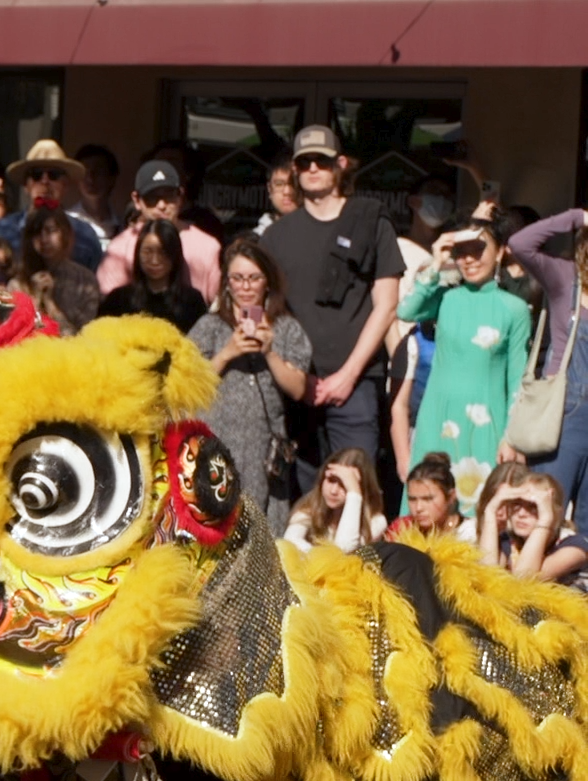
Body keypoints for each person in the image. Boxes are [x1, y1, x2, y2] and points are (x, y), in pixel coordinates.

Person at [260, 125, 404, 491]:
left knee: (356, 491)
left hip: (355, 385)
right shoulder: (275, 236)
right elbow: (256, 307)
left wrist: (347, 375)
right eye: (304, 162)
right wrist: (290, 374)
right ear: (294, 169)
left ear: (339, 164)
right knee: (304, 499)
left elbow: (386, 306)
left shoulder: (370, 219)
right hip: (295, 387)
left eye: (321, 161)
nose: (312, 168)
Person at [397, 218, 528, 518]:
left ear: (499, 253)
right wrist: (436, 260)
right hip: (437, 419)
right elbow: (406, 310)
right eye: (461, 251)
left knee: (478, 513)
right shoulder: (445, 299)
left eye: (478, 249)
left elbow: (518, 378)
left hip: (487, 422)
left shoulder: (515, 308)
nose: (468, 259)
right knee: (423, 508)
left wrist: (511, 436)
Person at [190, 238, 313, 534]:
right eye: (238, 278)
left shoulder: (285, 328)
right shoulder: (209, 326)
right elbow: (188, 384)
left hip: (263, 451)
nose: (246, 286)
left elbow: (297, 388)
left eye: (254, 278)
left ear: (267, 282)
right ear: (227, 283)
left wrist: (270, 352)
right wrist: (228, 352)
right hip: (215, 442)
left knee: (261, 528)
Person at [508, 207, 588, 519]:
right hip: (562, 414)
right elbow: (519, 243)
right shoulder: (565, 278)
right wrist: (578, 217)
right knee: (545, 510)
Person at [95, 160, 222, 304]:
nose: (161, 205)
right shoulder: (118, 249)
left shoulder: (208, 247)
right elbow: (109, 307)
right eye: (152, 198)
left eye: (169, 196)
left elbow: (218, 307)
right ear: (137, 200)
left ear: (180, 196)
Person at [0, 140, 105, 272]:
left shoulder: (85, 235)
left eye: (54, 175)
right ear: (26, 185)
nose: (45, 181)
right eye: (37, 175)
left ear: (65, 184)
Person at [98, 219, 207, 334]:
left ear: (175, 254)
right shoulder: (119, 299)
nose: (155, 261)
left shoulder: (192, 302)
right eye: (147, 252)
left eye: (162, 252)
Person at [12, 207, 98, 336]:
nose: (44, 239)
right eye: (37, 232)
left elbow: (82, 335)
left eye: (51, 231)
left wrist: (50, 303)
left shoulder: (85, 280)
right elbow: (14, 333)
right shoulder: (18, 282)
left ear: (65, 233)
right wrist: (34, 300)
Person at [284, 447, 386, 553]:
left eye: (344, 485)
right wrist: (319, 557)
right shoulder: (309, 508)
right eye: (331, 480)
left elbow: (344, 549)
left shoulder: (376, 521)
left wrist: (354, 494)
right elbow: (289, 542)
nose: (334, 491)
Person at [385, 453, 467, 539]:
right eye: (412, 499)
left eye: (428, 499)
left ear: (451, 496)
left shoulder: (469, 534)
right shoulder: (400, 531)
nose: (418, 508)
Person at [72, 144, 121, 244]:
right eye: (85, 172)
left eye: (98, 172)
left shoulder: (123, 226)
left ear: (112, 178)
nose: (90, 179)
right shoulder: (68, 222)